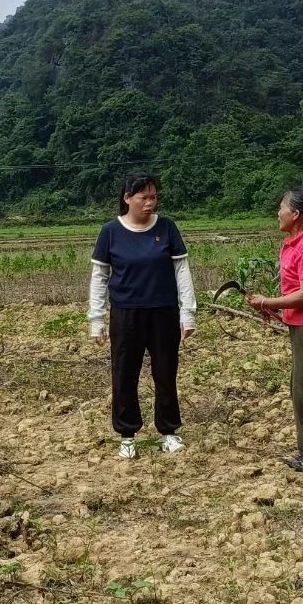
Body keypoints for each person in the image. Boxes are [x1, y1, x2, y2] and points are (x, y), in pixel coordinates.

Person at [89, 172, 197, 459]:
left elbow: (181, 271)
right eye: (143, 197)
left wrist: (188, 312)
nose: (150, 203)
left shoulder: (167, 228)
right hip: (126, 314)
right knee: (124, 373)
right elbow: (99, 276)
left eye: (154, 197)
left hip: (163, 312)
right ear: (127, 198)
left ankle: (168, 431)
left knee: (166, 372)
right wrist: (96, 318)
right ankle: (127, 434)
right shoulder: (110, 232)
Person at [247, 186, 303, 472]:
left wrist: (267, 301)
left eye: (281, 208)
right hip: (302, 323)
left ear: (295, 214)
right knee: (301, 389)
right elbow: (297, 293)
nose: (278, 213)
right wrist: (274, 307)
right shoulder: (296, 242)